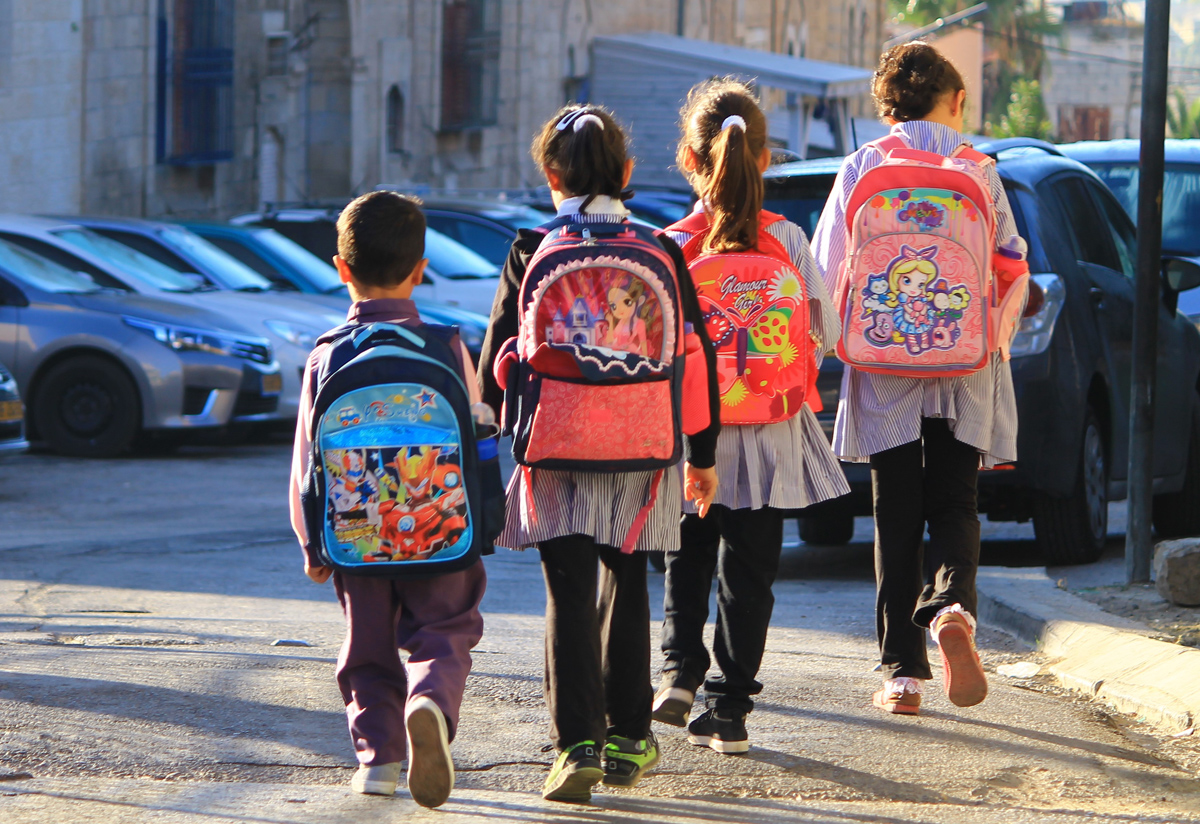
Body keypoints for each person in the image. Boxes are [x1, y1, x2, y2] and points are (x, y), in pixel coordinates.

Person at [477, 104, 722, 803]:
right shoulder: (662, 249)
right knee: (628, 578)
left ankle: (575, 743)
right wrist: (701, 454)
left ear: (551, 175)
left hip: (553, 442)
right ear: (627, 173)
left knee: (567, 589)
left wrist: (502, 431)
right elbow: (695, 359)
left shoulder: (530, 246)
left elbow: (499, 361)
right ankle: (629, 736)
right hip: (644, 444)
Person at [811, 43, 1024, 715]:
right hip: (963, 360)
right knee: (957, 502)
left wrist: (833, 344)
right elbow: (1012, 265)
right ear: (954, 101)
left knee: (894, 510)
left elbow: (825, 268)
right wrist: (993, 341)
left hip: (882, 366)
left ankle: (901, 673)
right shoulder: (978, 170)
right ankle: (953, 606)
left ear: (888, 105)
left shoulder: (862, 166)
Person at [653, 79, 850, 753]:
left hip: (689, 434)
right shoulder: (788, 239)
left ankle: (678, 672)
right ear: (764, 159)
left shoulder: (670, 245)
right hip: (770, 431)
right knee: (751, 572)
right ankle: (730, 709)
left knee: (687, 554)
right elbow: (820, 330)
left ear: (689, 157)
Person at [288, 191, 486, 805]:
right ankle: (428, 702)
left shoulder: (326, 356)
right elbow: (476, 433)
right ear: (421, 267)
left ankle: (378, 761)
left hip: (356, 528)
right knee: (446, 626)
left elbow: (306, 460)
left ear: (340, 268)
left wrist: (312, 541)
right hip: (440, 522)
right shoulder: (448, 346)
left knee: (367, 646)